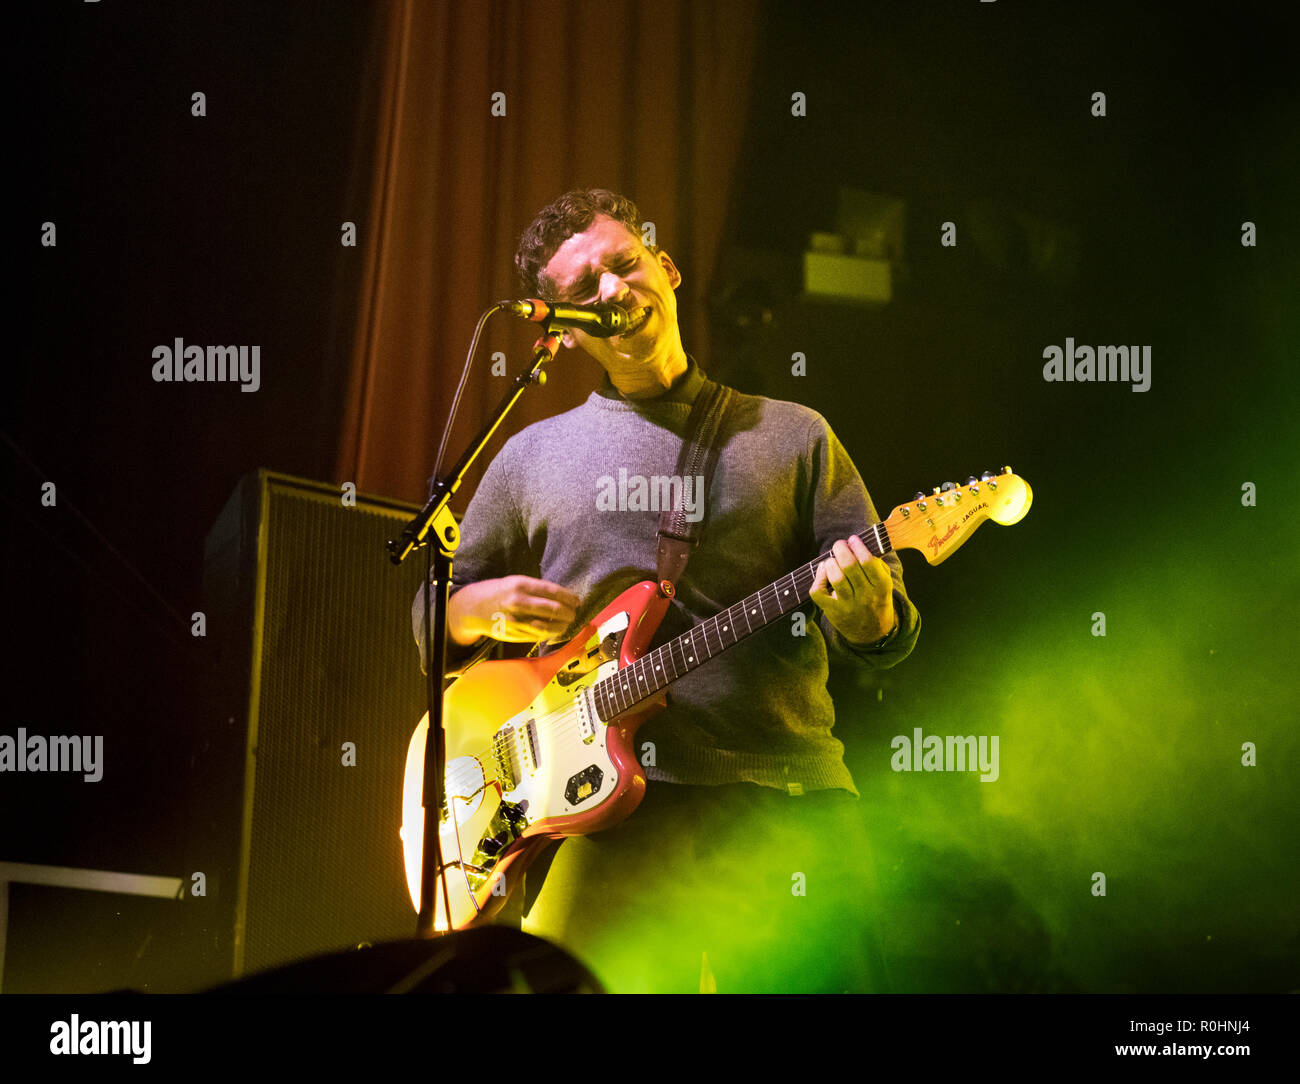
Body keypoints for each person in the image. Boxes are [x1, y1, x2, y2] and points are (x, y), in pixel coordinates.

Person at [413, 188, 920, 993]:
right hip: (597, 810)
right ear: (561, 329)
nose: (611, 291)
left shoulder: (794, 434)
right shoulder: (526, 457)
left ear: (668, 269)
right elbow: (434, 619)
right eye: (583, 291)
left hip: (779, 790)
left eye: (624, 265)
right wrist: (468, 611)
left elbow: (885, 627)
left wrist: (873, 613)